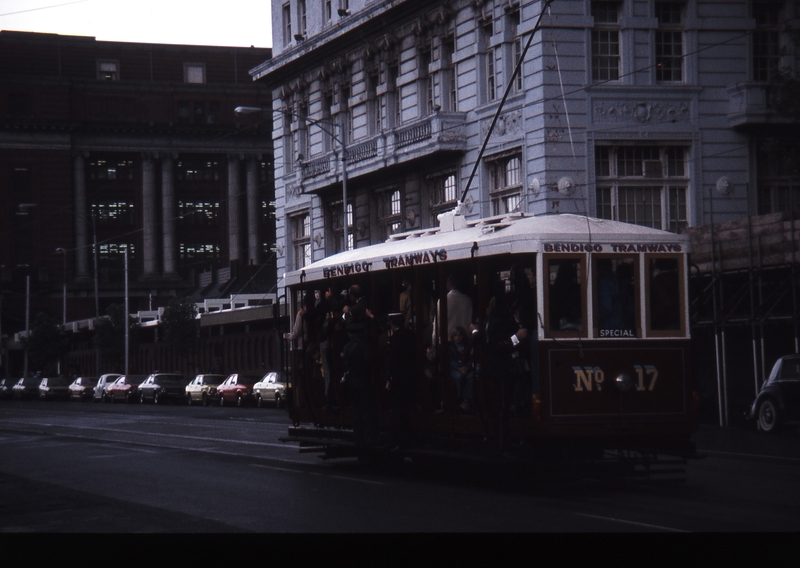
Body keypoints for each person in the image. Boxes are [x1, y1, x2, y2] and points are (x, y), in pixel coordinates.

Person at [341, 321, 376, 451]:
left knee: (356, 414)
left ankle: (359, 441)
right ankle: (369, 441)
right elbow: (368, 362)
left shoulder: (347, 348)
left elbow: (345, 363)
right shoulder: (366, 346)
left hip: (352, 383)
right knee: (367, 413)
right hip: (364, 382)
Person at [384, 313, 415, 449]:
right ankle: (404, 441)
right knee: (405, 411)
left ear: (391, 323)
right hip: (409, 378)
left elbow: (393, 361)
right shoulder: (409, 335)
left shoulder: (396, 338)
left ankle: (394, 441)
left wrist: (389, 378)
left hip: (398, 379)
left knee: (397, 411)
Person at [449, 325, 475, 413]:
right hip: (455, 368)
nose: (458, 338)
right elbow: (451, 361)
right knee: (459, 376)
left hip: (466, 368)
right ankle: (458, 398)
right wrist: (459, 368)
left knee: (470, 377)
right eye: (455, 335)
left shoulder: (467, 346)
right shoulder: (451, 347)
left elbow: (470, 359)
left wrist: (467, 367)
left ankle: (466, 400)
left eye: (460, 335)